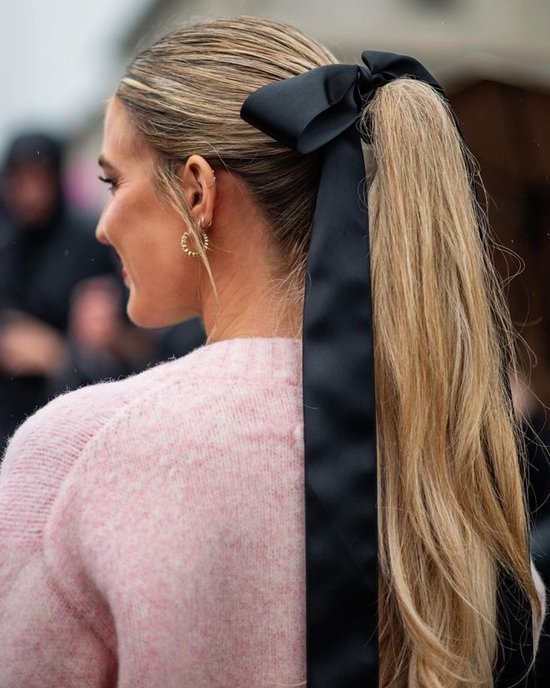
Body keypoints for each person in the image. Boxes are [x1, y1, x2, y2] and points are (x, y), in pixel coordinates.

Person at [0, 17, 544, 688]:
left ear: (197, 191)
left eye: (114, 183)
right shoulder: (451, 436)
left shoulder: (75, 455)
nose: (103, 227)